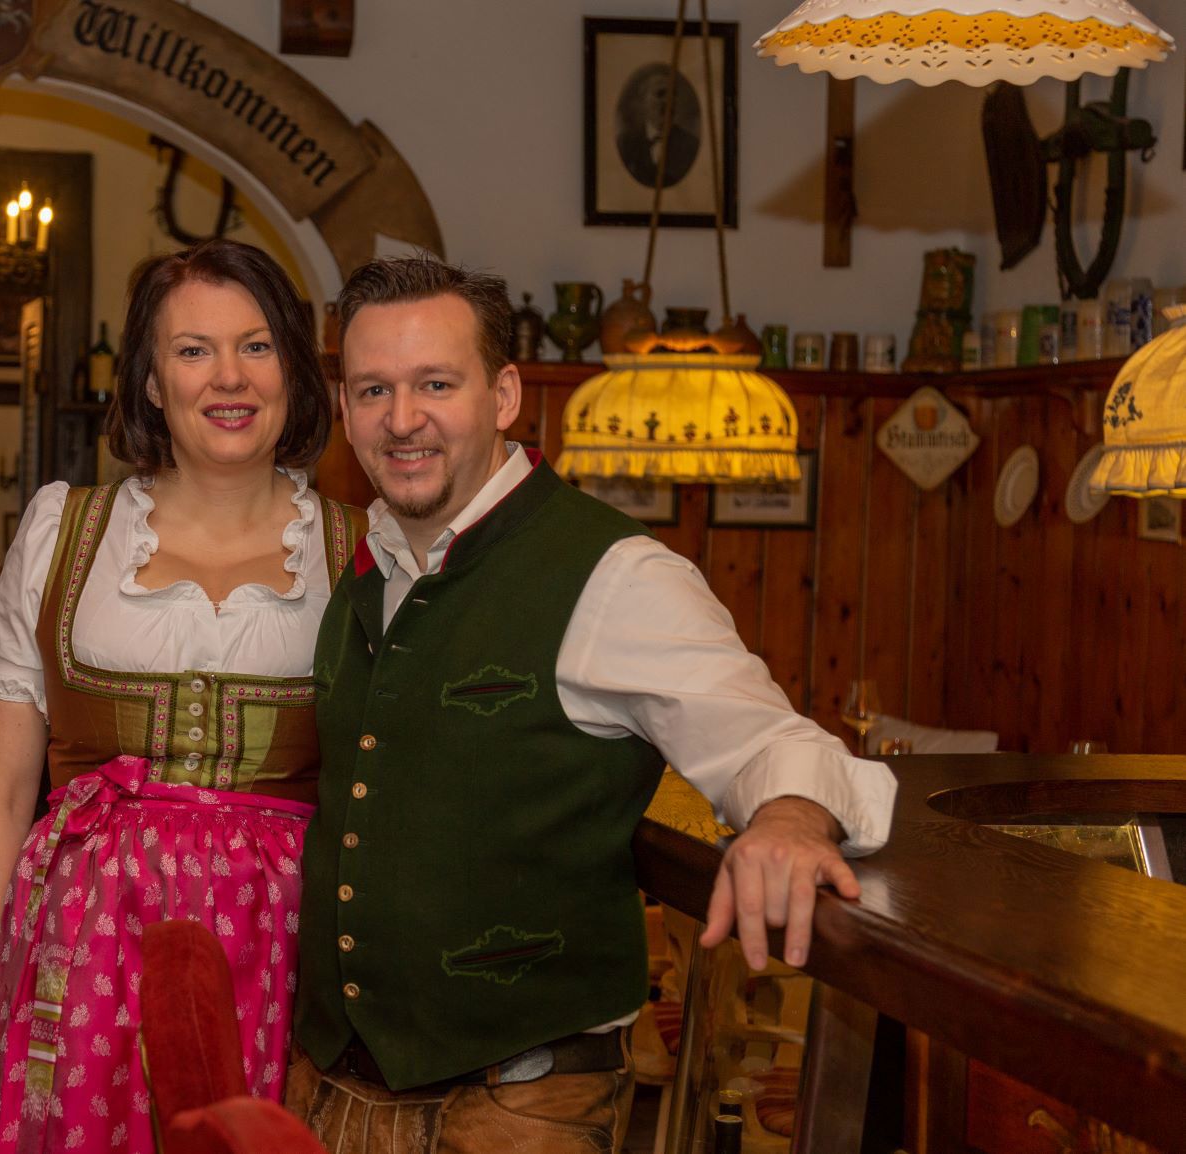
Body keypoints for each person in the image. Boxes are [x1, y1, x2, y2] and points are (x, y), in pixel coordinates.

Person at [284, 256, 898, 1153]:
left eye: (435, 384)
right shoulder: (362, 568)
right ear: (343, 408)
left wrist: (793, 817)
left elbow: (770, 738)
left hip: (517, 1108)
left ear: (503, 396)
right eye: (372, 388)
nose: (401, 418)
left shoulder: (616, 574)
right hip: (334, 1092)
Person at [0, 238, 365, 1154]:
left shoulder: (363, 554)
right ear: (151, 382)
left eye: (255, 346)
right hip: (85, 955)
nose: (227, 377)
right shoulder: (64, 533)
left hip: (286, 962)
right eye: (192, 349)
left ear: (293, 370)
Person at [614, 62, 700, 191]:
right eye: (660, 94)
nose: (668, 101)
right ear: (644, 102)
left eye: (673, 95)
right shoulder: (626, 143)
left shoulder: (690, 144)